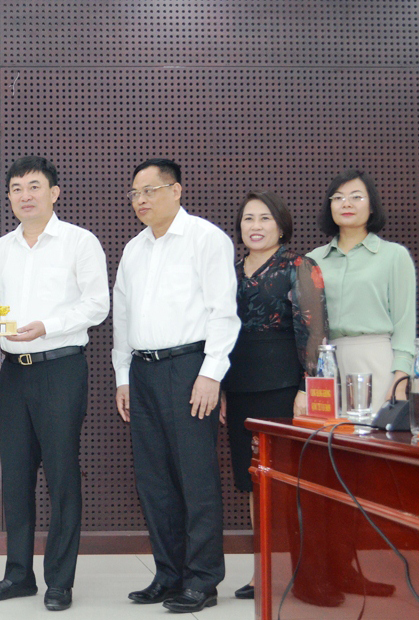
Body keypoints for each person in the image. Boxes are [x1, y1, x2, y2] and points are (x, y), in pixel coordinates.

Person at [0, 156, 110, 612]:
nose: (25, 195)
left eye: (34, 186)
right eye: (17, 189)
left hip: (61, 367)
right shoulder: (1, 248)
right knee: (16, 476)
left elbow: (97, 304)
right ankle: (18, 575)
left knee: (62, 474)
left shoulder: (79, 242)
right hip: (14, 372)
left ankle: (59, 580)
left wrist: (47, 325)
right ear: (9, 198)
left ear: (54, 192)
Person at [112, 159, 239, 613]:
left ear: (177, 190)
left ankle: (202, 579)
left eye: (151, 190)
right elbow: (122, 318)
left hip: (190, 368)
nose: (141, 200)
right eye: (135, 193)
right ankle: (168, 574)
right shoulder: (133, 250)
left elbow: (224, 312)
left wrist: (211, 374)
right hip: (143, 372)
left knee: (195, 477)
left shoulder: (206, 239)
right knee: (154, 480)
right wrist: (123, 376)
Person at [219, 191, 327, 600]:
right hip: (240, 387)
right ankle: (262, 571)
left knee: (290, 482)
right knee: (254, 482)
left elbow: (316, 332)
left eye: (264, 218)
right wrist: (223, 389)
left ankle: (305, 571)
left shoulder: (300, 266)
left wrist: (307, 388)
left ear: (281, 226)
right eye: (248, 219)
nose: (256, 226)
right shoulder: (229, 271)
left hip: (285, 387)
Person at [306, 169, 416, 413]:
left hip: (376, 359)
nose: (346, 203)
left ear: (372, 206)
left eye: (356, 197)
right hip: (326, 364)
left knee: (373, 442)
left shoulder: (394, 256)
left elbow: (404, 324)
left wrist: (400, 378)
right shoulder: (313, 260)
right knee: (328, 443)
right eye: (338, 197)